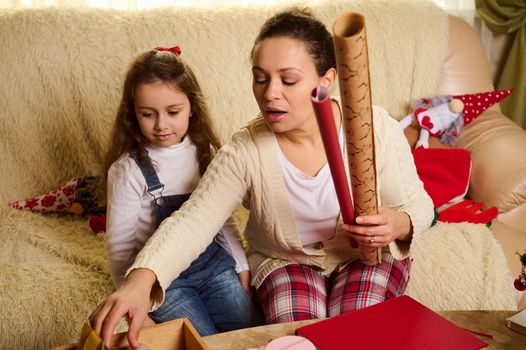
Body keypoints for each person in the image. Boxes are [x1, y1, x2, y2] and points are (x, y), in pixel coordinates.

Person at [90, 9, 434, 349]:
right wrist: (141, 278)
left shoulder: (375, 128)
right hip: (288, 263)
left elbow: (419, 206)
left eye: (288, 80)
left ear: (325, 82)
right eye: (260, 77)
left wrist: (397, 223)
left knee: (354, 334)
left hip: (367, 258)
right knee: (299, 341)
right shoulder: (244, 151)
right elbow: (193, 221)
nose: (270, 93)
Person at [97, 46, 259, 336]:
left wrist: (241, 266)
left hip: (214, 268)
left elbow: (221, 218)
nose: (161, 125)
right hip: (165, 282)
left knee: (249, 330)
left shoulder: (205, 153)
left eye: (173, 112)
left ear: (192, 107)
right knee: (201, 339)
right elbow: (121, 250)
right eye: (148, 114)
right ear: (133, 114)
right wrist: (134, 299)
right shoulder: (128, 170)